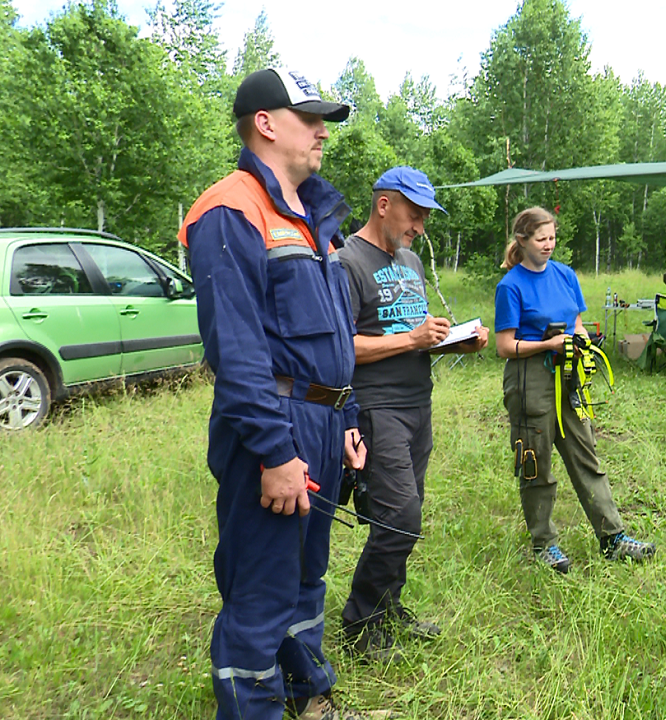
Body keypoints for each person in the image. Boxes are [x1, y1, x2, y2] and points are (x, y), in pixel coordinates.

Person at [180, 68, 383, 719]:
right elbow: (236, 355)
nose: (323, 130)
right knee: (262, 595)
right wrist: (274, 453)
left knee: (306, 579)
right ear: (265, 123)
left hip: (323, 425)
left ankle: (306, 695)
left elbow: (331, 339)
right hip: (276, 427)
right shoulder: (230, 211)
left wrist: (347, 418)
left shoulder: (313, 217)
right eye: (310, 117)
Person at [337, 166, 490, 662]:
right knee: (400, 516)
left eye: (425, 217)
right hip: (377, 407)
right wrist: (412, 338)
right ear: (384, 204)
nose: (420, 226)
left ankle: (387, 608)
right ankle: (360, 628)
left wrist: (454, 342)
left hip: (417, 402)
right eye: (414, 214)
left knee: (406, 514)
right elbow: (341, 347)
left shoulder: (409, 262)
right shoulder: (345, 263)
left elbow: (412, 335)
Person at [494, 206, 655, 573]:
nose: (549, 245)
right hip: (529, 379)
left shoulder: (566, 275)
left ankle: (613, 537)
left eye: (552, 237)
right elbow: (505, 347)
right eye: (541, 239)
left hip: (569, 375)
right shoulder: (511, 286)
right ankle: (544, 543)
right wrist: (546, 345)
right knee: (536, 463)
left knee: (586, 455)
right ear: (522, 240)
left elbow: (577, 323)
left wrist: (581, 342)